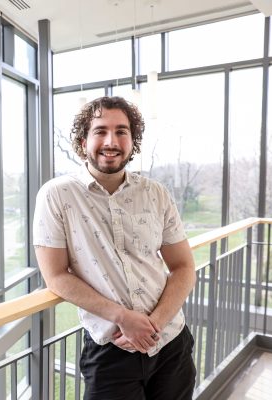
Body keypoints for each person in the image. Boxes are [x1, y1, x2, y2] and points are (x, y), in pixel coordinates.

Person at [33, 96, 197, 399]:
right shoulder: (57, 196)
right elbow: (56, 276)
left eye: (122, 131)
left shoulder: (156, 193)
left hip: (171, 344)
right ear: (83, 141)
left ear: (132, 141)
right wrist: (124, 318)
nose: (112, 141)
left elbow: (184, 267)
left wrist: (152, 326)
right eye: (100, 131)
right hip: (110, 353)